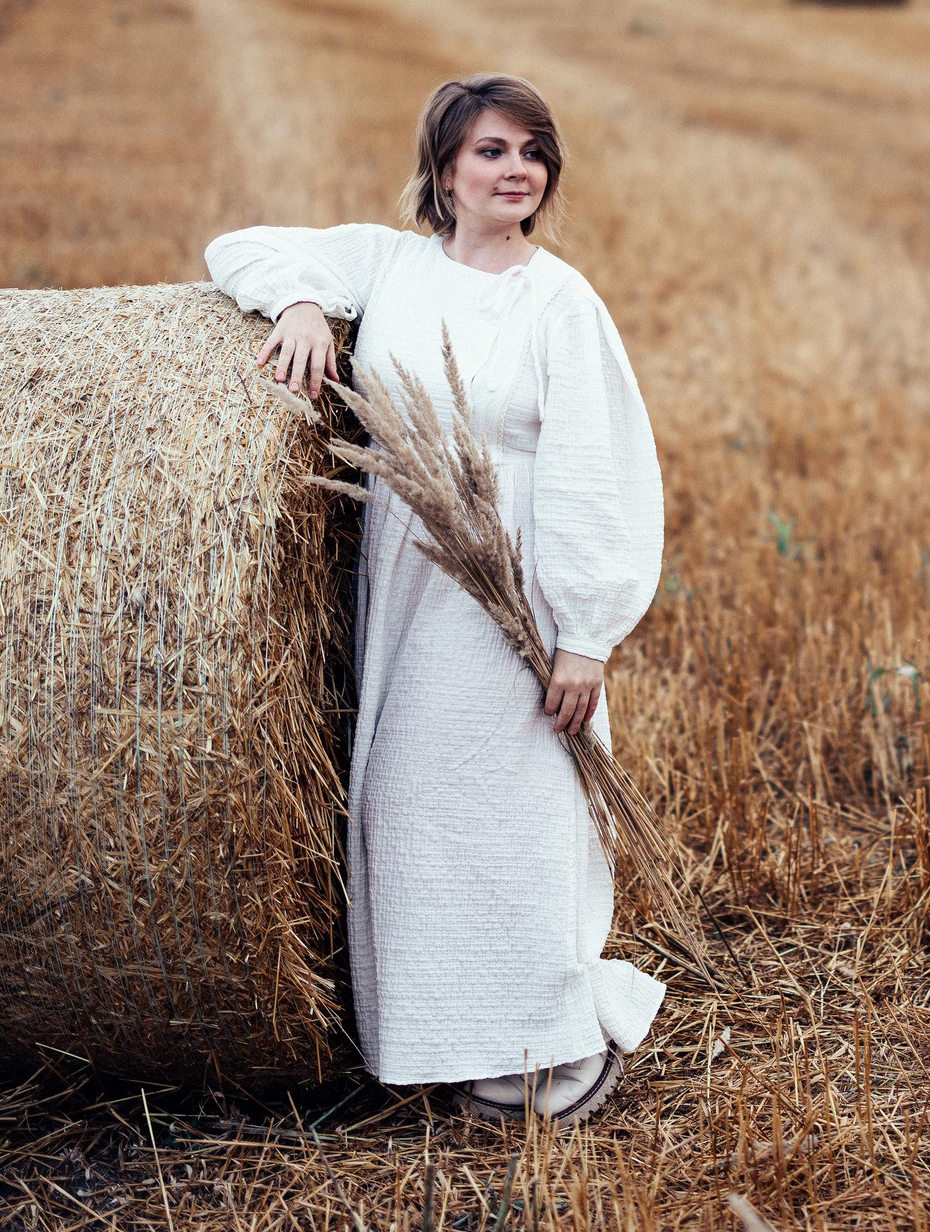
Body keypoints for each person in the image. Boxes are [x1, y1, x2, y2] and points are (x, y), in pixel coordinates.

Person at [205, 74, 664, 1125]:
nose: (517, 170)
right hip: (415, 594)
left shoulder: (558, 298)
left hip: (520, 599)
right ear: (445, 168)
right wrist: (306, 303)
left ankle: (548, 1039)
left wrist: (586, 635)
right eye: (492, 150)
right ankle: (443, 1036)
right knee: (410, 806)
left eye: (532, 152)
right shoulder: (389, 265)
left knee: (524, 809)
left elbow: (597, 468)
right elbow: (238, 247)